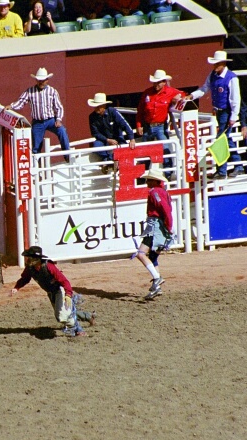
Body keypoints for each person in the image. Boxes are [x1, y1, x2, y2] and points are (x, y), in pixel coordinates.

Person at [10, 246, 93, 337]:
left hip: (59, 290)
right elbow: (25, 278)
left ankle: (79, 331)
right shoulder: (30, 268)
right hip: (51, 293)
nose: (27, 259)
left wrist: (68, 295)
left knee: (61, 316)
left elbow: (64, 281)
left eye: (30, 257)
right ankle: (87, 316)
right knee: (63, 313)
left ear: (37, 259)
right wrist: (16, 288)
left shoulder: (49, 266)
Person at [185, 50, 242, 179]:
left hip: (226, 112)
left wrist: (233, 116)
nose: (215, 67)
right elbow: (204, 88)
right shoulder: (213, 75)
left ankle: (222, 171)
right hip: (218, 111)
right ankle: (238, 165)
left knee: (220, 139)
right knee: (226, 138)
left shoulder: (232, 78)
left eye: (217, 64)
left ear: (223, 63)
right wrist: (192, 96)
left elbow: (235, 99)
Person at [7, 68, 69, 157]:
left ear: (47, 80)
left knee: (62, 131)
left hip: (51, 120)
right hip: (37, 122)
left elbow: (59, 107)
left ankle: (67, 155)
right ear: (36, 80)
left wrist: (58, 120)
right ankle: (37, 166)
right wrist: (12, 106)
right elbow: (21, 102)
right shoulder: (30, 91)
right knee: (36, 146)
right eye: (39, 80)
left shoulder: (52, 91)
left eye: (43, 80)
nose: (41, 82)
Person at [133, 168, 173, 300]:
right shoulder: (163, 192)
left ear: (154, 181)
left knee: (141, 253)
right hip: (160, 226)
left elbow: (165, 209)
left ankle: (157, 278)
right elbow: (167, 210)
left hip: (155, 226)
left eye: (148, 180)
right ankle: (157, 287)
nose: (146, 182)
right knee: (153, 257)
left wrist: (168, 226)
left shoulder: (154, 192)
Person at [135, 69, 183, 177]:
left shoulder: (171, 92)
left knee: (165, 149)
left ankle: (168, 173)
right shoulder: (147, 93)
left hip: (160, 126)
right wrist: (139, 125)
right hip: (147, 126)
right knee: (145, 152)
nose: (156, 84)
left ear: (164, 82)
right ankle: (143, 175)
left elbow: (184, 95)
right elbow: (140, 110)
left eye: (158, 82)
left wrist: (178, 98)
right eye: (155, 82)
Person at [87, 92, 135, 164]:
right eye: (95, 106)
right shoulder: (92, 117)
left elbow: (124, 124)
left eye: (98, 106)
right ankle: (110, 159)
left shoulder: (112, 112)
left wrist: (131, 138)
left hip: (117, 138)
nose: (96, 108)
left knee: (124, 148)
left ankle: (108, 161)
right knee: (97, 147)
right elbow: (95, 133)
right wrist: (107, 140)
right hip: (103, 139)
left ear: (104, 106)